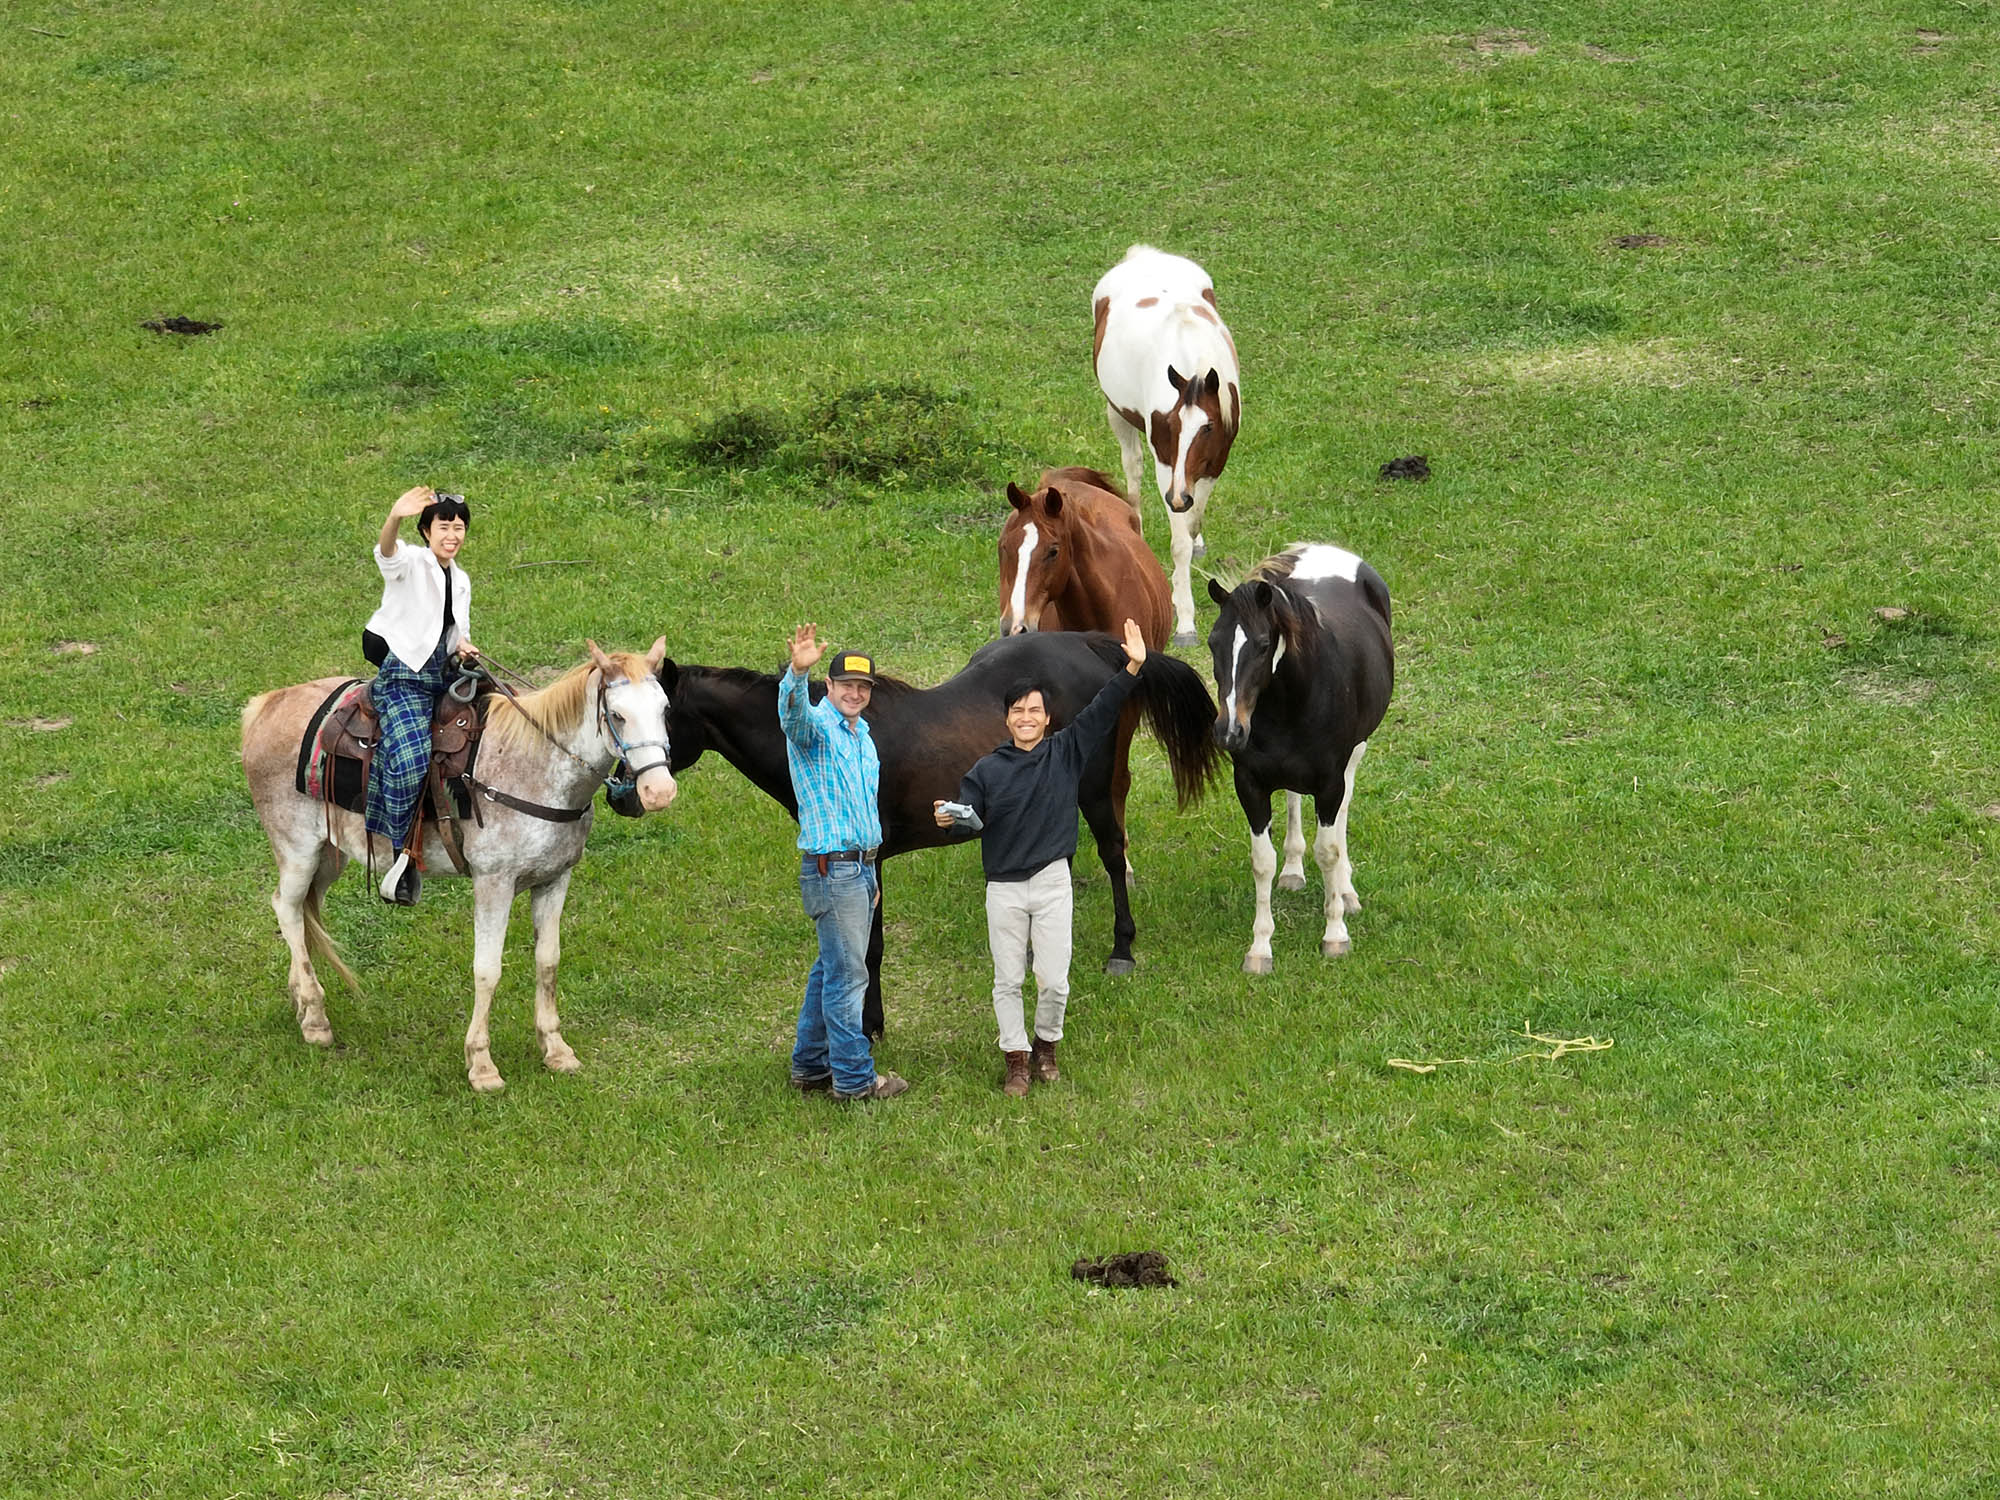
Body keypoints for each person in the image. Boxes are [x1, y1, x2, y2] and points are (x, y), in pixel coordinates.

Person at [935, 618, 1147, 1097]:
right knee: (1007, 980)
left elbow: (1103, 707)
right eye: (1018, 710)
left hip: (1053, 884)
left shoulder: (1067, 751)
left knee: (1053, 980)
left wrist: (1133, 666)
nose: (1026, 717)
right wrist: (950, 820)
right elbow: (972, 821)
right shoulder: (985, 771)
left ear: (1048, 718)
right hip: (1004, 889)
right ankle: (1017, 1059)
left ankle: (1046, 1045)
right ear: (1007, 719)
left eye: (1035, 710)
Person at [779, 624, 908, 1102]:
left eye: (863, 686)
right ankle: (854, 1079)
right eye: (846, 685)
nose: (855, 693)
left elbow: (862, 809)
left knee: (830, 968)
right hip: (833, 869)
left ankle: (810, 1066)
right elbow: (790, 715)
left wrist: (871, 869)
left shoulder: (863, 738)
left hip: (857, 868)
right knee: (850, 976)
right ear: (828, 687)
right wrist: (797, 672)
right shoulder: (812, 727)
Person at [363, 485, 478, 906]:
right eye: (444, 526)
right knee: (411, 759)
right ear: (427, 530)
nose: (453, 534)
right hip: (404, 675)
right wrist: (394, 516)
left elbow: (453, 630)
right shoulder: (411, 560)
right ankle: (401, 856)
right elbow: (387, 551)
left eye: (459, 527)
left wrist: (463, 645)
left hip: (442, 674)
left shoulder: (461, 580)